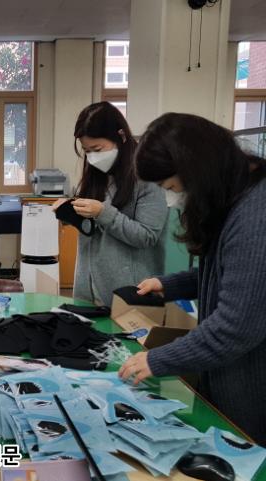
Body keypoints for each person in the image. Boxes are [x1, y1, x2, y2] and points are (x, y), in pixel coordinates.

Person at [119, 113, 266, 446]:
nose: (172, 199)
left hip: (253, 394)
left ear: (198, 172)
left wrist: (159, 359)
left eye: (172, 188)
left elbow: (235, 328)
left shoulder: (256, 217)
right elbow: (230, 275)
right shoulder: (237, 198)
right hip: (230, 381)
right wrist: (171, 285)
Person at [54, 102, 169, 306]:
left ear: (121, 136)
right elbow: (95, 230)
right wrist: (72, 213)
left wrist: (103, 213)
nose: (92, 157)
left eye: (97, 149)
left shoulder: (147, 177)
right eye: (87, 151)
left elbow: (147, 236)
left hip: (130, 295)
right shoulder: (98, 175)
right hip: (89, 290)